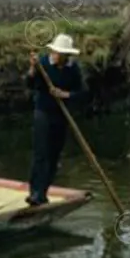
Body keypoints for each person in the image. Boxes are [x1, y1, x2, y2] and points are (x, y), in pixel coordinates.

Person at [25, 33, 87, 206]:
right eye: (56, 52)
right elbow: (30, 84)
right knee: (41, 153)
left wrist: (65, 94)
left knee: (54, 155)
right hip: (43, 112)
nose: (56, 56)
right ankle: (35, 192)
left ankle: (43, 192)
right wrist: (32, 69)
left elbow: (82, 93)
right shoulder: (43, 64)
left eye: (61, 54)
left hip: (61, 114)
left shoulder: (73, 69)